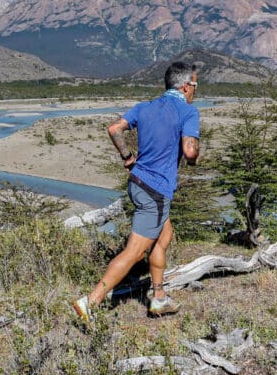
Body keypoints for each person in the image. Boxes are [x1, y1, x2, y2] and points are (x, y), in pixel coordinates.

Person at [73, 61, 200, 322]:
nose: (195, 91)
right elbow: (190, 152)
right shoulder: (188, 112)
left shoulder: (144, 107)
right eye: (195, 85)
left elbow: (114, 129)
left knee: (164, 235)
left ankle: (159, 296)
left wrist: (128, 157)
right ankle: (91, 301)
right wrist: (194, 152)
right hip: (156, 191)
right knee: (134, 252)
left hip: (137, 183)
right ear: (186, 86)